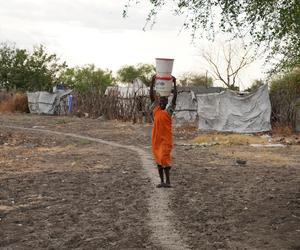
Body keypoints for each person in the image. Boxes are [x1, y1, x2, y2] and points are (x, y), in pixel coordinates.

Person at [150, 75, 177, 188]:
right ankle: (162, 181)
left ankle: (168, 182)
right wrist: (152, 82)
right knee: (158, 160)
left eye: (164, 101)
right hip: (156, 140)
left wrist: (175, 84)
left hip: (166, 140)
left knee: (164, 159)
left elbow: (175, 97)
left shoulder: (169, 111)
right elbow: (151, 96)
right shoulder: (155, 110)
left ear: (167, 102)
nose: (162, 102)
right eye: (160, 100)